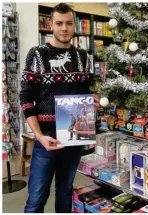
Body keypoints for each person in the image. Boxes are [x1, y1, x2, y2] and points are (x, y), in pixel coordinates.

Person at [19, 3, 99, 213]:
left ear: (75, 26)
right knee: (36, 198)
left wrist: (92, 103)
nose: (64, 28)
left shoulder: (83, 57)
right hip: (45, 137)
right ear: (51, 26)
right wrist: (38, 135)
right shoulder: (37, 55)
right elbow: (25, 97)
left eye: (69, 23)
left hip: (74, 135)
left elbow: (85, 93)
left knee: (65, 192)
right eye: (59, 23)